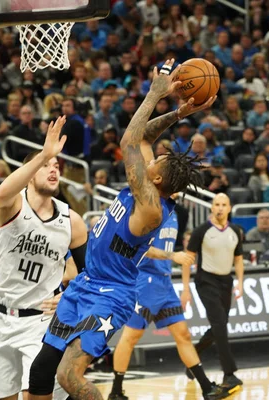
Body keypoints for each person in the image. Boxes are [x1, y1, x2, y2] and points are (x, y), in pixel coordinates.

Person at [27, 60, 225, 400]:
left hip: (110, 295)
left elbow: (130, 140)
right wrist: (178, 113)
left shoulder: (149, 206)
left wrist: (154, 94)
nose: (148, 160)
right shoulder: (149, 185)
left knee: (68, 376)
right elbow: (145, 136)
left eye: (154, 162)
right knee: (42, 369)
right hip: (86, 284)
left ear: (158, 179)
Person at [0, 116, 89, 400]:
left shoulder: (73, 221)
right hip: (0, 318)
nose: (53, 169)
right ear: (29, 172)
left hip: (41, 323)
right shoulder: (12, 206)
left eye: (56, 166)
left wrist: (69, 295)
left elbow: (89, 274)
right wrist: (44, 154)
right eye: (46, 165)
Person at [109, 212, 217, 400]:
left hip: (165, 283)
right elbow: (140, 247)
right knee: (131, 337)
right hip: (146, 281)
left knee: (183, 334)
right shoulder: (152, 210)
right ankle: (116, 391)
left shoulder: (175, 213)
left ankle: (207, 387)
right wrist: (173, 255)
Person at [184, 193, 244, 396]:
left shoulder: (235, 231)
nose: (220, 208)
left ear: (229, 208)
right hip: (206, 281)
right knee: (219, 324)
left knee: (219, 326)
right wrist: (185, 289)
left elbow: (238, 259)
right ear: (211, 207)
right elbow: (188, 259)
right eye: (216, 204)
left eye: (223, 205)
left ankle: (194, 355)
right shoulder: (201, 231)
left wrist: (240, 284)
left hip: (226, 281)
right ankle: (229, 374)